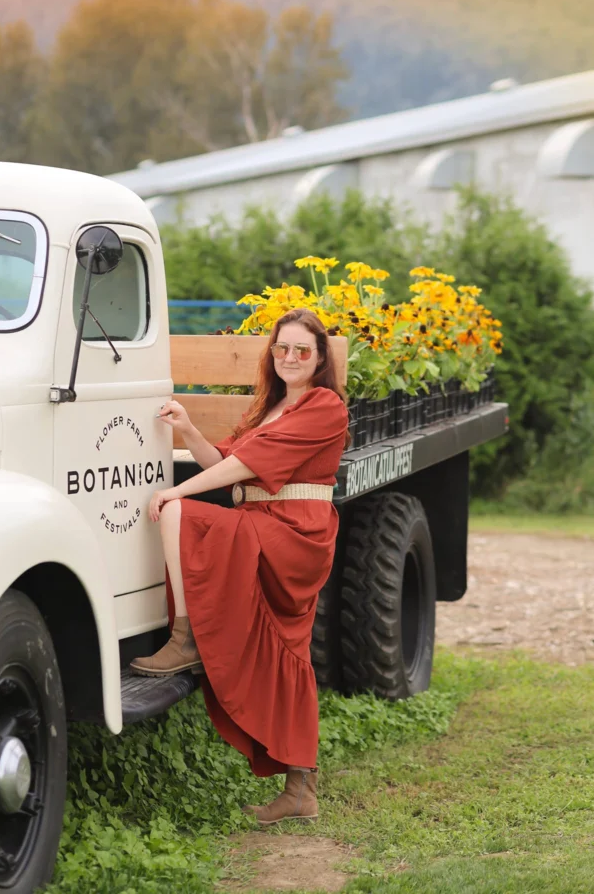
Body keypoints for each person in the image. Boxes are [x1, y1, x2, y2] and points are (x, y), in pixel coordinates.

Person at [130, 308, 349, 824]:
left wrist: (177, 490)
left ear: (319, 360)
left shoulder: (325, 406)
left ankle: (185, 640)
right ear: (271, 354)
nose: (290, 358)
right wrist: (185, 428)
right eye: (282, 348)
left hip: (294, 531)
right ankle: (301, 789)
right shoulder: (269, 407)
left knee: (180, 512)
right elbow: (224, 465)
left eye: (302, 351)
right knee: (287, 649)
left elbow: (247, 467)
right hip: (262, 521)